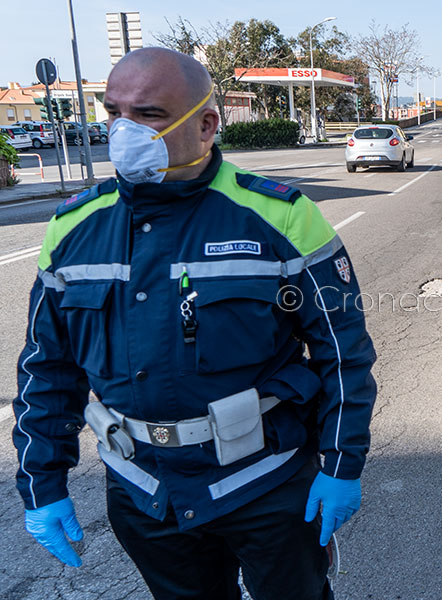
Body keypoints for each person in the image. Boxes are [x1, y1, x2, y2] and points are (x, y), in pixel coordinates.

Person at [12, 47, 376, 600]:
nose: (123, 131)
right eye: (114, 112)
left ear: (206, 124)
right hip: (144, 491)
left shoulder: (280, 216)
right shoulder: (73, 227)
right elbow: (47, 370)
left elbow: (343, 352)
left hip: (267, 484)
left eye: (149, 115)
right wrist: (42, 483)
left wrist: (342, 463)